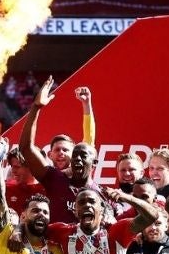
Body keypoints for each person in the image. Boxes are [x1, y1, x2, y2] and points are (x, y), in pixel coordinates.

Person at [19, 79, 111, 224]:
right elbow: (26, 148)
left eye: (83, 156)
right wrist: (36, 108)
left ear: (94, 163)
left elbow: (89, 142)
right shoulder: (55, 179)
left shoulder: (103, 195)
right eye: (75, 156)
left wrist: (87, 105)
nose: (78, 159)